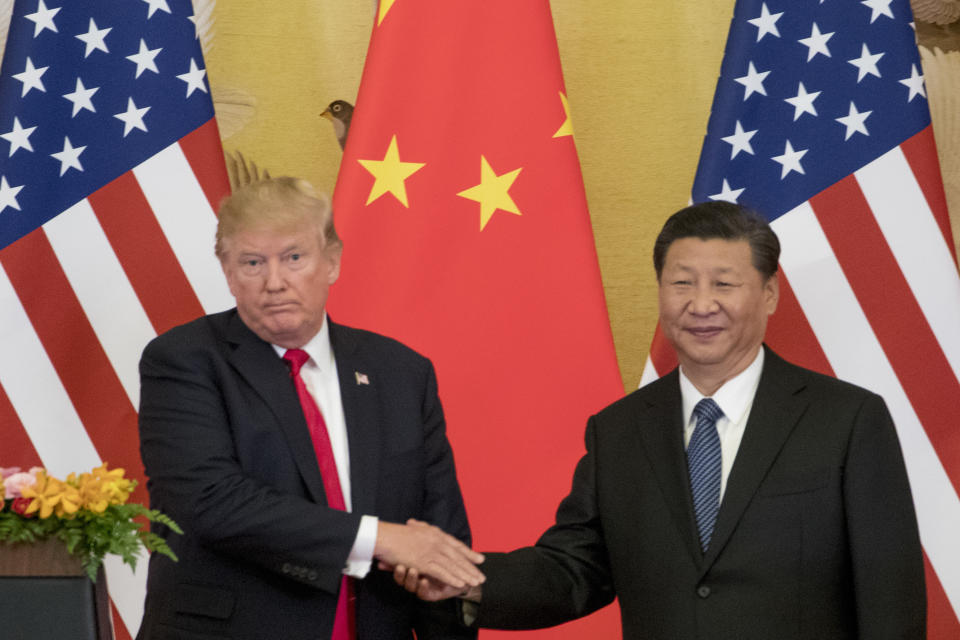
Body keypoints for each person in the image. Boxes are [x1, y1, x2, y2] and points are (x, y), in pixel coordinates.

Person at [396, 201, 926, 639]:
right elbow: (573, 570)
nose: (700, 305)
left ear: (769, 295)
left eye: (723, 284)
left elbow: (889, 602)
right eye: (681, 283)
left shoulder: (848, 420)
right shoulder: (620, 430)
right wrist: (466, 578)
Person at [136, 176, 484, 640]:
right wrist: (380, 537)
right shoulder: (182, 360)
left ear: (332, 262)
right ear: (228, 272)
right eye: (253, 262)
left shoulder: (401, 371)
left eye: (294, 258)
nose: (275, 282)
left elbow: (439, 536)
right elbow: (212, 503)